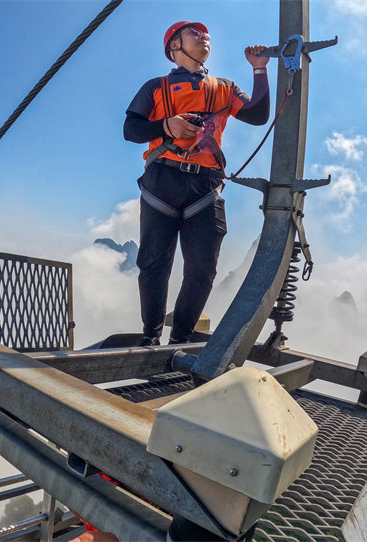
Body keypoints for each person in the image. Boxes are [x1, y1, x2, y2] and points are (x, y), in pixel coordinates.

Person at [124, 21, 271, 346]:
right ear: (173, 47)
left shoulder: (225, 88)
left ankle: (180, 341)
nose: (203, 36)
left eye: (205, 33)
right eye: (192, 33)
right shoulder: (156, 87)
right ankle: (150, 338)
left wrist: (259, 71)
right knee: (153, 263)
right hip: (162, 178)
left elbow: (258, 115)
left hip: (205, 186)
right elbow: (131, 129)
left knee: (203, 270)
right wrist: (167, 126)